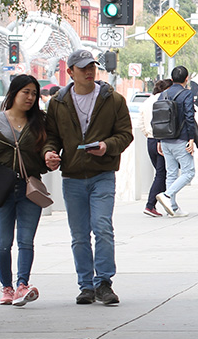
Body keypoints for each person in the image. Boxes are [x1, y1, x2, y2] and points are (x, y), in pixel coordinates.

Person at [44, 49, 134, 306]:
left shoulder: (113, 99)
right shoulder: (58, 103)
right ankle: (85, 285)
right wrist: (50, 153)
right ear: (70, 72)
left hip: (102, 173)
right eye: (82, 68)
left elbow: (125, 134)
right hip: (72, 176)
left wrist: (106, 146)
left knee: (103, 227)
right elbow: (51, 136)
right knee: (79, 234)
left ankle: (103, 282)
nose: (89, 71)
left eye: (92, 66)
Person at [0, 74, 48, 307]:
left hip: (30, 189)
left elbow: (47, 151)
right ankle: (6, 287)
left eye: (34, 93)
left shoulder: (40, 123)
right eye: (25, 92)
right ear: (13, 93)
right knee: (4, 242)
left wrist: (50, 159)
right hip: (2, 189)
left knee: (26, 241)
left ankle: (22, 285)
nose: (30, 97)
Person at [155, 65, 198, 218]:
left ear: (172, 79)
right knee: (189, 172)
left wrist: (159, 140)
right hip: (180, 138)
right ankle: (167, 196)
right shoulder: (186, 94)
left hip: (165, 139)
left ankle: (172, 208)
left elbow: (159, 117)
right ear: (187, 79)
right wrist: (191, 138)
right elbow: (189, 116)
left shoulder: (164, 94)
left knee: (171, 174)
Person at [140, 78, 173, 217]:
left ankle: (163, 202)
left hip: (150, 140)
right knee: (162, 174)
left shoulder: (147, 102)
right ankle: (150, 205)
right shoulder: (162, 101)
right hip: (161, 140)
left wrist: (148, 134)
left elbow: (141, 123)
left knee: (161, 173)